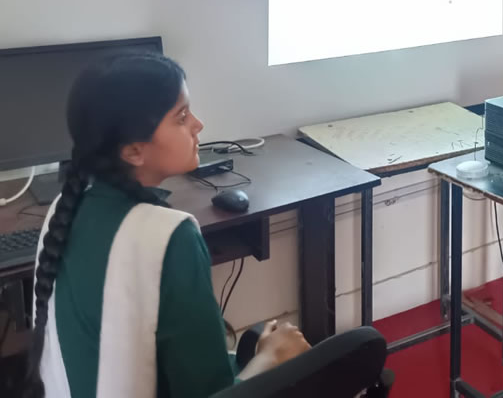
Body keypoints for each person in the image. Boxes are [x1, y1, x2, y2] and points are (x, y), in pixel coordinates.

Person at [21, 52, 311, 398]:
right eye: (182, 117)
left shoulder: (62, 209)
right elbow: (210, 393)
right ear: (133, 151)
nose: (198, 125)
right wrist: (273, 356)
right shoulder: (171, 237)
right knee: (290, 350)